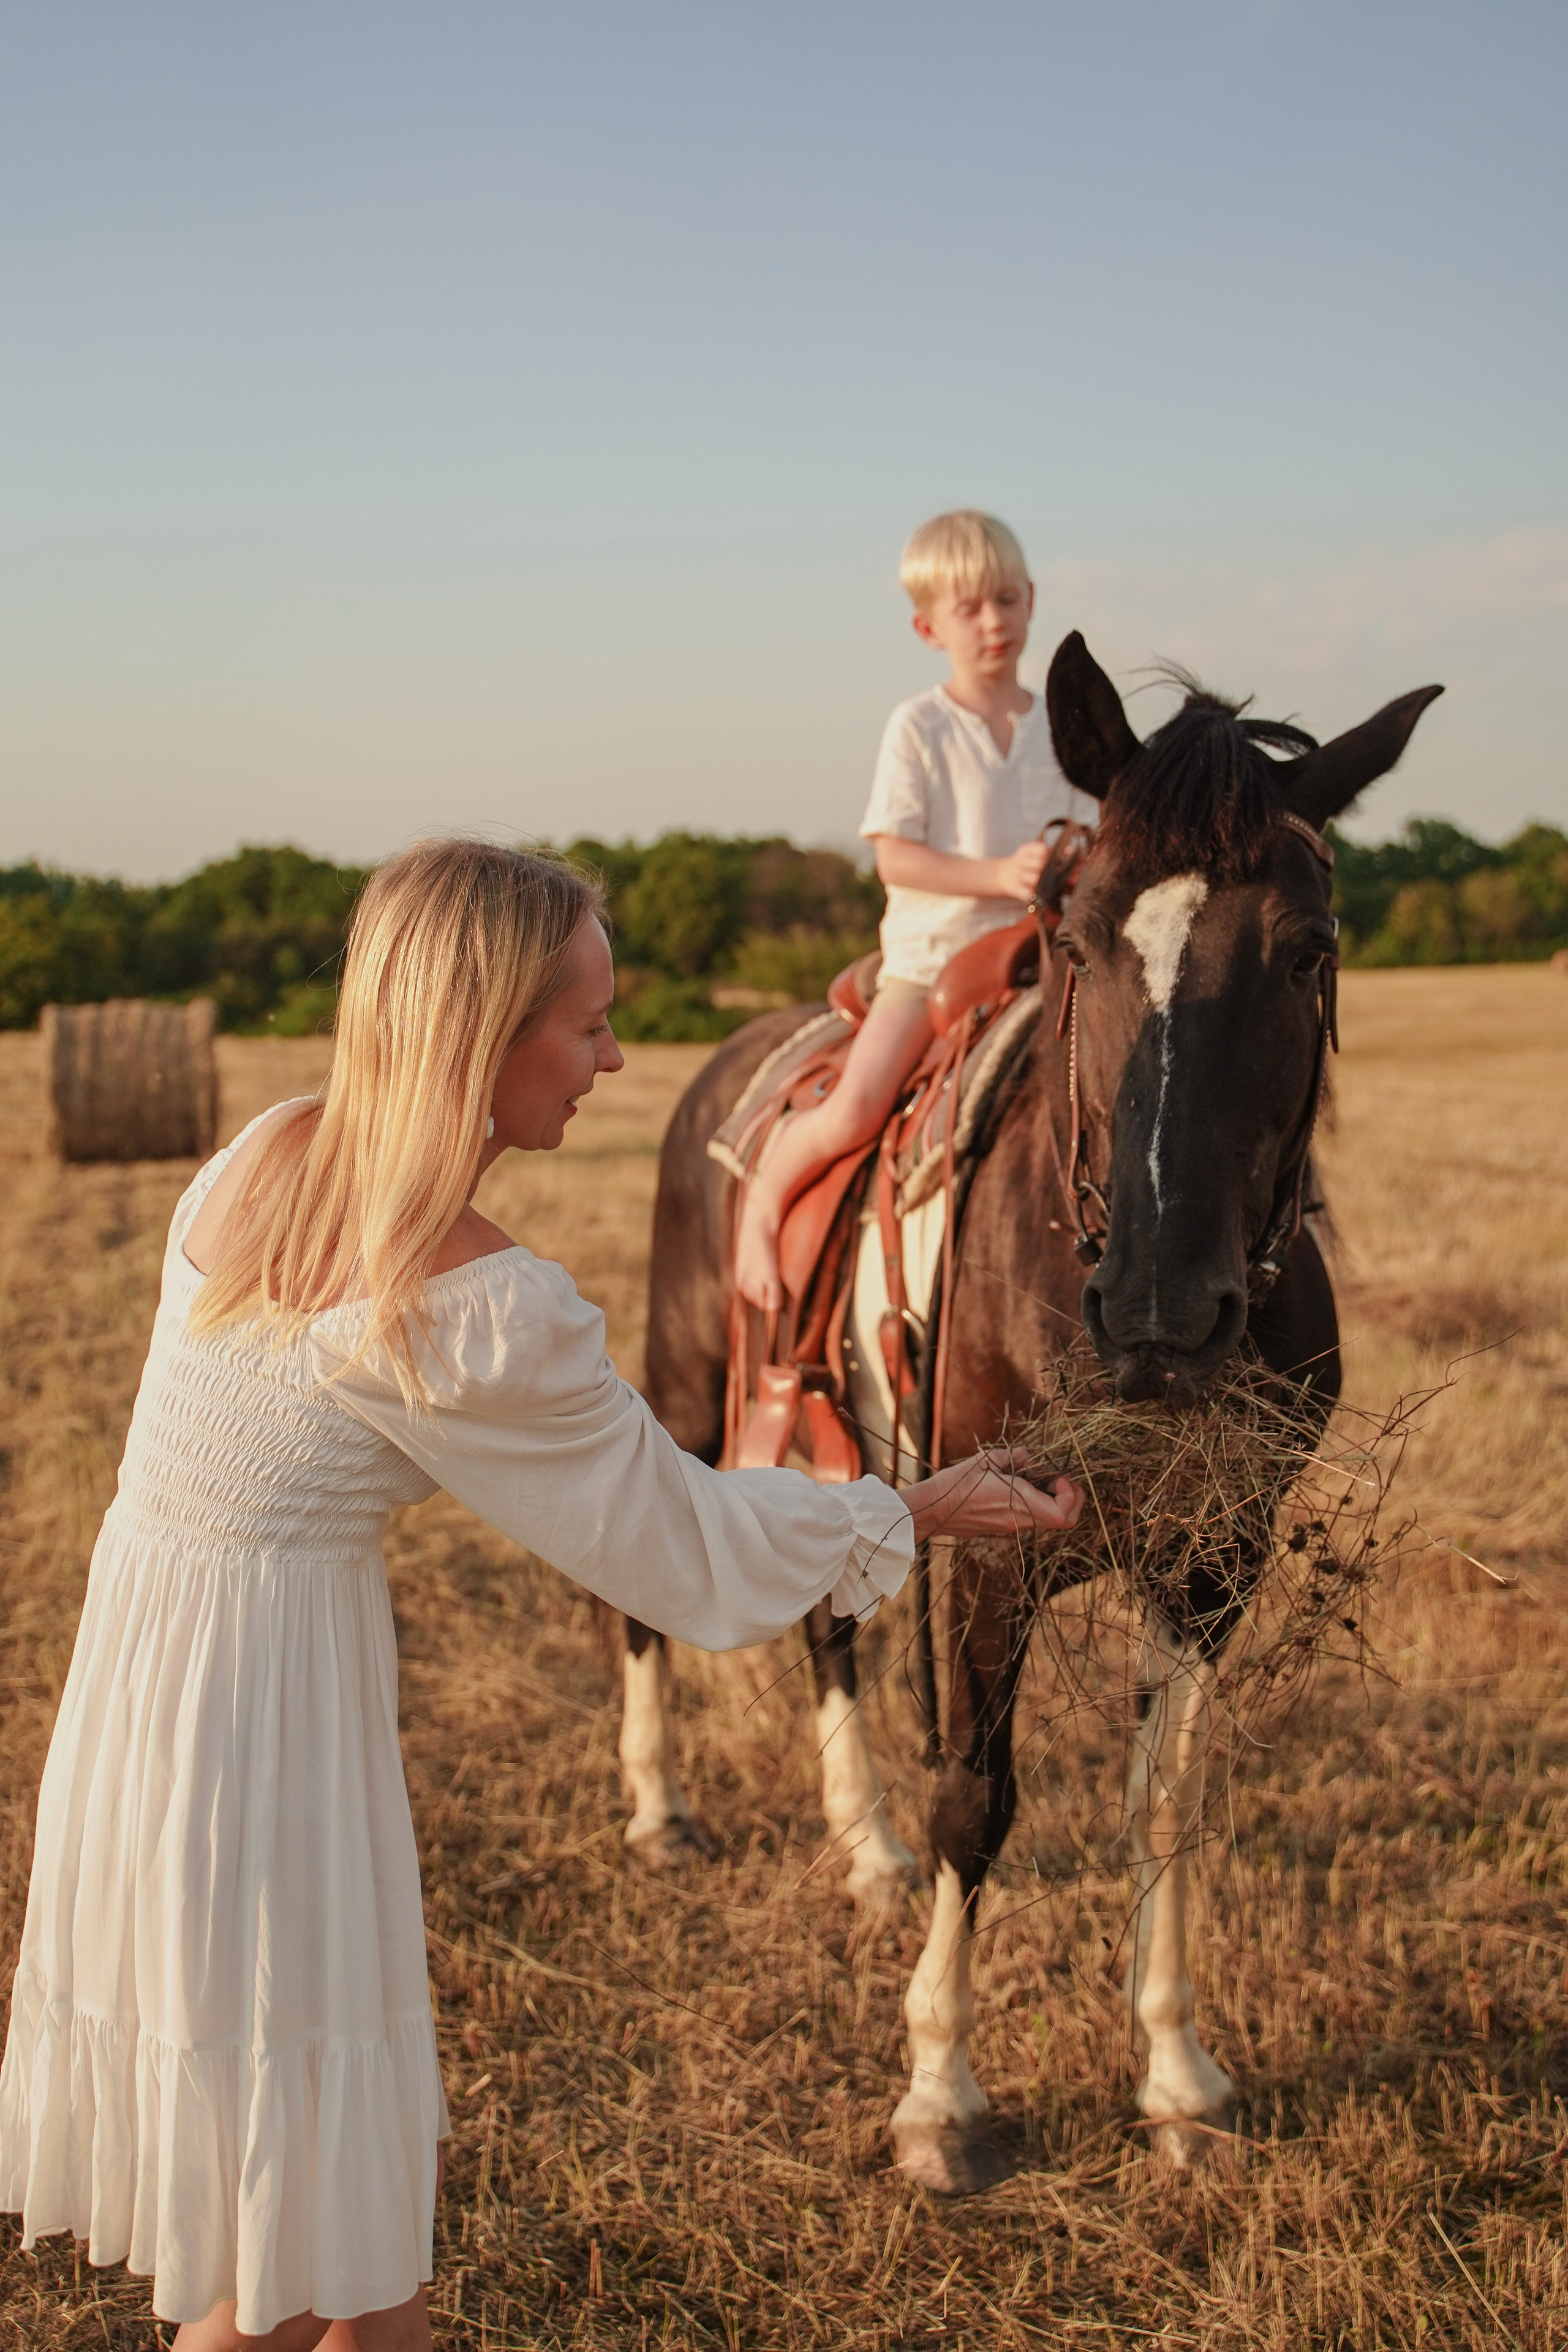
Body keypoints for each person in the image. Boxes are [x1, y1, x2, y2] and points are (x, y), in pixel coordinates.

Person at [0, 839, 1082, 2352]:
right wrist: (922, 1505)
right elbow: (685, 1547)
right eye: (587, 1024)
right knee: (308, 2268)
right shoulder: (469, 1299)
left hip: (143, 1713)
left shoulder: (260, 1151)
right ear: (482, 1033)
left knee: (320, 2252)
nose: (616, 1055)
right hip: (258, 1765)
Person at [734, 509, 1099, 1311]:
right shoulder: (921, 727)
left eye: (1006, 599)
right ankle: (765, 1201)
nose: (993, 622)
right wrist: (1001, 872)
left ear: (1032, 598)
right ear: (927, 625)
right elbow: (894, 854)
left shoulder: (1061, 728)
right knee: (861, 1106)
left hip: (1046, 960)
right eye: (969, 608)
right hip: (934, 961)